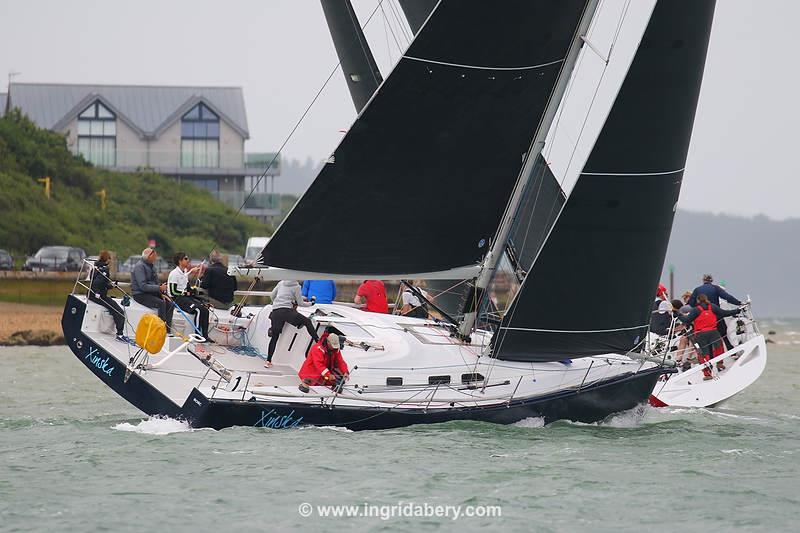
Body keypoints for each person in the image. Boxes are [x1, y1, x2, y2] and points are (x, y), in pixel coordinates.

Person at [679, 294, 743, 379]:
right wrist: (737, 310)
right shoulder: (712, 307)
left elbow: (686, 320)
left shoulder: (696, 310)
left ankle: (707, 374)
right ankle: (720, 363)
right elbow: (724, 313)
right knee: (719, 348)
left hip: (700, 334)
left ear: (698, 301)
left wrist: (678, 315)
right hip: (714, 332)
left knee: (703, 354)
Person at [266, 280, 319, 368]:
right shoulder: (296, 286)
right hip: (287, 312)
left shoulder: (281, 283)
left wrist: (277, 303)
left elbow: (272, 296)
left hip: (276, 311)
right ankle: (317, 340)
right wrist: (311, 303)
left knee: (275, 337)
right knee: (307, 321)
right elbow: (301, 303)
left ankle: (268, 360)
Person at [688, 274, 742, 351]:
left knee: (706, 338)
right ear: (711, 280)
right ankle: (732, 352)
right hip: (716, 315)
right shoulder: (715, 288)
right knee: (724, 334)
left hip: (702, 318)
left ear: (703, 281)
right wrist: (738, 303)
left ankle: (710, 357)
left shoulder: (697, 290)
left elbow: (691, 303)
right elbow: (727, 297)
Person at [168, 252, 210, 340]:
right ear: (180, 261)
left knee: (205, 310)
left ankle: (205, 336)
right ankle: (197, 335)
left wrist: (193, 293)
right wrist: (186, 293)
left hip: (186, 298)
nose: (188, 260)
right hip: (177, 299)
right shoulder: (174, 274)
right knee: (197, 310)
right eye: (186, 259)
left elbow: (187, 287)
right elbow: (173, 291)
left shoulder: (184, 272)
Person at [89, 250, 126, 342]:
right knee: (120, 312)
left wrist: (111, 285)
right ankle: (120, 334)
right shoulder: (104, 269)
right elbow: (98, 283)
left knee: (113, 306)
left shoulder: (96, 267)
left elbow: (100, 283)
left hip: (92, 295)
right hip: (99, 296)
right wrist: (97, 292)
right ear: (108, 259)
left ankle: (119, 334)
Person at [131, 248, 173, 329]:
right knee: (161, 303)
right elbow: (143, 286)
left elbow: (155, 283)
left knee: (170, 303)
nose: (156, 258)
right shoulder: (139, 267)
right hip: (140, 294)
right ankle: (160, 329)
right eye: (154, 256)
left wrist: (161, 293)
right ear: (149, 256)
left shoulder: (152, 267)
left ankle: (167, 329)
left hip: (150, 293)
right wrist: (159, 288)